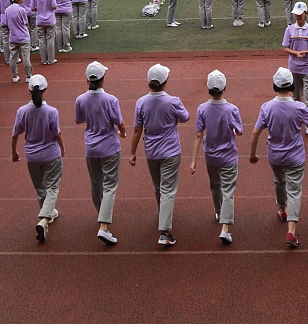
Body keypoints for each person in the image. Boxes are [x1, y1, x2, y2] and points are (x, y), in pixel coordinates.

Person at [250, 67, 308, 248]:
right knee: (294, 190)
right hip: (295, 156)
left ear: (275, 86)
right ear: (292, 85)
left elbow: (256, 132)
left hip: (275, 155)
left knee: (279, 182)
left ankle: (282, 208)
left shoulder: (267, 107)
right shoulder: (299, 107)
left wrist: (253, 154)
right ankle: (291, 230)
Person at [129, 63, 189, 247]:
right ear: (165, 81)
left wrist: (132, 152)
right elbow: (185, 117)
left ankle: (162, 211)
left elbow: (137, 129)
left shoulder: (141, 102)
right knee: (168, 189)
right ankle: (165, 232)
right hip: (170, 151)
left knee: (158, 185)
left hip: (151, 151)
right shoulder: (173, 101)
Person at [190, 69, 242, 245]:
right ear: (224, 87)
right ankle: (225, 227)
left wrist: (193, 160)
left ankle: (219, 211)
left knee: (215, 185)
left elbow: (198, 134)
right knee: (228, 190)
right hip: (228, 155)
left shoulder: (202, 109)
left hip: (211, 155)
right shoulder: (232, 109)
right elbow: (239, 130)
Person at [75, 61, 124, 245]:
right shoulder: (111, 100)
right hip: (109, 146)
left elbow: (79, 119)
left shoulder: (81, 99)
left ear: (87, 80)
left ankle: (101, 211)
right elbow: (119, 121)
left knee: (96, 183)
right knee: (110, 184)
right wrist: (123, 132)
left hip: (91, 147)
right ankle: (104, 225)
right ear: (103, 79)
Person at [12, 74, 64, 244]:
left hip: (32, 155)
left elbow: (15, 134)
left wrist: (14, 152)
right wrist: (62, 148)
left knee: (40, 187)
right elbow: (57, 134)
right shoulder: (51, 111)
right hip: (50, 153)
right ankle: (44, 218)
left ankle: (49, 213)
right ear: (45, 89)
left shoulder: (22, 111)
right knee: (53, 186)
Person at [282, 1, 308, 135]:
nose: (297, 16)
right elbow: (286, 48)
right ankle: (297, 122)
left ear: (306, 14)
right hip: (294, 67)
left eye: (300, 14)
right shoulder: (289, 29)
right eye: (296, 14)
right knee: (296, 97)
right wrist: (296, 53)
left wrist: (306, 52)